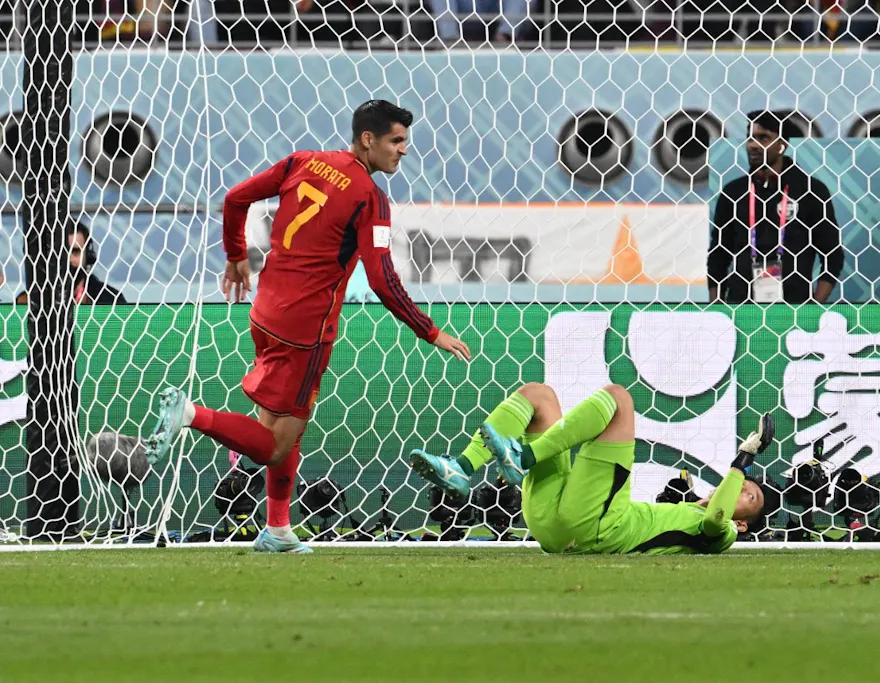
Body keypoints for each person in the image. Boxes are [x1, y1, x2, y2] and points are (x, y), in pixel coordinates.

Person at [146, 100, 471, 554]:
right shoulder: (369, 197)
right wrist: (430, 331)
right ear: (368, 140)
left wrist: (236, 256)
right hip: (306, 331)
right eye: (397, 141)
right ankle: (191, 415)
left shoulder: (304, 161)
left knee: (283, 427)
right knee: (274, 447)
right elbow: (382, 279)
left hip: (265, 312)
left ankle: (277, 530)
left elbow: (236, 197)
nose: (404, 150)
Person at [410, 383, 774, 554]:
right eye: (745, 486)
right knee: (540, 396)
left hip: (599, 530)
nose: (741, 489)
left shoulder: (720, 532)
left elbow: (715, 517)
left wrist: (742, 462)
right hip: (551, 529)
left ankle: (524, 458)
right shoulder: (681, 508)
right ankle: (460, 467)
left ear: (742, 524)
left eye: (749, 496)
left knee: (619, 399)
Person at [707, 110, 844, 304]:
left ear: (782, 145)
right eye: (750, 138)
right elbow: (718, 256)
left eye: (763, 138)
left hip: (795, 309)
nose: (753, 145)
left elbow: (833, 255)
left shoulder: (811, 191)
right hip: (741, 308)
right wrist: (718, 309)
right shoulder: (734, 192)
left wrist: (814, 306)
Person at [15, 222, 127, 306]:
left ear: (87, 255)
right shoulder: (28, 302)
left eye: (75, 251)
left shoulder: (110, 300)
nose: (68, 259)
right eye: (61, 252)